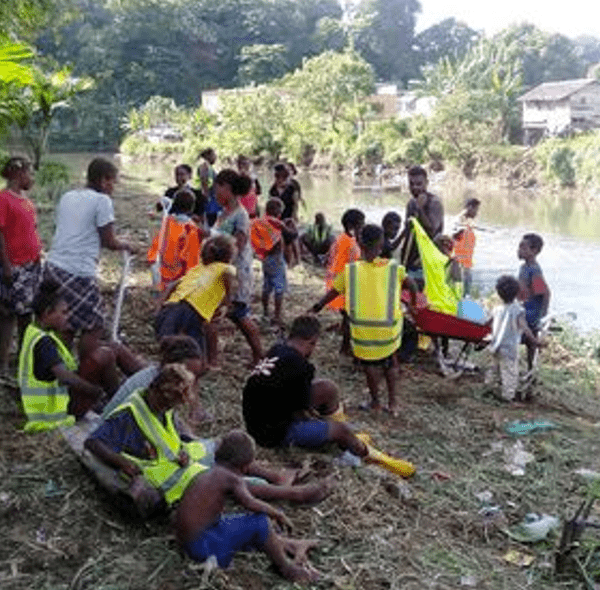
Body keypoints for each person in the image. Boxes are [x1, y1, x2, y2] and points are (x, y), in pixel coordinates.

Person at [87, 364, 332, 510]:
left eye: (172, 404)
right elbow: (93, 442)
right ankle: (292, 494)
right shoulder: (128, 414)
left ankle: (276, 476)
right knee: (225, 480)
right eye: (165, 402)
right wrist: (122, 463)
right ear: (154, 388)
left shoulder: (160, 403)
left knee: (224, 446)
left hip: (177, 460)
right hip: (161, 476)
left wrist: (183, 449)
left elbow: (168, 435)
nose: (167, 408)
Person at [174, 430, 320, 582]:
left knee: (242, 523)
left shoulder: (209, 472)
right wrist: (278, 514)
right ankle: (287, 569)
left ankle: (281, 545)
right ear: (245, 467)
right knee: (260, 522)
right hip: (204, 548)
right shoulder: (231, 479)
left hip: (189, 545)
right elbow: (251, 503)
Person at [311, 225, 417, 417]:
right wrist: (413, 306)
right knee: (391, 363)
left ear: (360, 244)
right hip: (389, 331)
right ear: (382, 244)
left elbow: (333, 292)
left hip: (363, 332)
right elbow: (413, 284)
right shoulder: (394, 268)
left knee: (370, 366)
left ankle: (375, 402)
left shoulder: (350, 271)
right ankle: (393, 404)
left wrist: (317, 307)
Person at [43, 157, 138, 357]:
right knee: (95, 324)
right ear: (103, 180)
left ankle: (61, 366)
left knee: (67, 322)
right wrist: (128, 246)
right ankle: (88, 367)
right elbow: (108, 241)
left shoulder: (68, 196)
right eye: (112, 181)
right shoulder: (102, 201)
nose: (113, 187)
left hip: (53, 266)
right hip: (78, 271)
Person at [18, 280, 137, 431]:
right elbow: (64, 376)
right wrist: (96, 392)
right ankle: (119, 404)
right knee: (105, 355)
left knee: (113, 348)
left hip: (57, 402)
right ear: (48, 312)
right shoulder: (43, 342)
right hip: (55, 410)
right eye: (63, 313)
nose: (68, 317)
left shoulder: (34, 331)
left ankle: (144, 380)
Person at [154, 235, 236, 364]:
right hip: (192, 312)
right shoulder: (225, 268)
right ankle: (190, 367)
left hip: (170, 307)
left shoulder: (196, 269)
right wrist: (228, 301)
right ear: (228, 256)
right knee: (193, 351)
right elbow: (229, 275)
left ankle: (170, 366)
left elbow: (172, 285)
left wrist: (159, 305)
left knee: (169, 343)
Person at [214, 169, 263, 365]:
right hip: (223, 269)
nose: (215, 193)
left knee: (239, 314)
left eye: (217, 189)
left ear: (227, 188)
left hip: (237, 272)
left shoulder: (241, 215)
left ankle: (259, 354)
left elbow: (238, 245)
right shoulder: (223, 212)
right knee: (230, 314)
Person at [0, 157, 43, 375]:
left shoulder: (24, 200)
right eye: (30, 174)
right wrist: (6, 265)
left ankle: (23, 359)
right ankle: (3, 363)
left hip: (30, 266)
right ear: (18, 174)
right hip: (14, 266)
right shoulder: (3, 199)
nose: (32, 179)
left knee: (27, 314)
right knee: (8, 315)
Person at [486, 275, 543, 402]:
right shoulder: (518, 310)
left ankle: (489, 388)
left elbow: (487, 323)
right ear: (517, 293)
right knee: (510, 373)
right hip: (509, 348)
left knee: (494, 368)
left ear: (499, 293)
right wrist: (535, 341)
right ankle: (508, 397)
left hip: (495, 345)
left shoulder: (497, 309)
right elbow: (525, 328)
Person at [250, 197, 296, 326]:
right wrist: (288, 225)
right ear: (277, 212)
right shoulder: (276, 223)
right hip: (276, 259)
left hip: (265, 259)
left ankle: (265, 312)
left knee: (266, 287)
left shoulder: (261, 222)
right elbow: (292, 235)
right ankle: (277, 315)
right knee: (279, 288)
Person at [324, 208, 365, 354]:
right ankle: (345, 348)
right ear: (352, 226)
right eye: (361, 225)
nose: (363, 227)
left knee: (348, 315)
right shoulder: (350, 244)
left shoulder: (341, 238)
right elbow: (356, 264)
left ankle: (342, 330)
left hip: (335, 283)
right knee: (350, 316)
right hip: (342, 287)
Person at [147, 188, 203, 291]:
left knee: (159, 302)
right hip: (179, 281)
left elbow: (154, 249)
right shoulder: (192, 229)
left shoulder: (166, 222)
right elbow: (192, 260)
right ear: (192, 208)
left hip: (160, 275)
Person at [399, 166, 444, 288]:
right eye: (411, 184)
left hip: (425, 264)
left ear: (426, 183)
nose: (415, 188)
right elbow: (408, 229)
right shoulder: (411, 203)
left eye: (419, 184)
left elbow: (432, 230)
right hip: (409, 261)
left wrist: (420, 208)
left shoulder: (434, 202)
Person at [517, 233, 550, 372]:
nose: (519, 250)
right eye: (519, 246)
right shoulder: (525, 267)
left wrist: (541, 317)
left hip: (530, 313)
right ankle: (530, 370)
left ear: (534, 251)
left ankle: (530, 371)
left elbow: (545, 293)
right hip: (524, 309)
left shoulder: (533, 269)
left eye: (523, 247)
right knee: (529, 343)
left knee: (529, 341)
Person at [269, 163, 300, 266]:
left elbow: (295, 203)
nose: (279, 180)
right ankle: (285, 260)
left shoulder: (291, 188)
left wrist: (294, 216)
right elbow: (270, 202)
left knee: (291, 238)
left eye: (281, 178)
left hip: (288, 214)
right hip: (277, 216)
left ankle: (295, 260)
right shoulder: (273, 189)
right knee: (280, 238)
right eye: (277, 178)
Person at [452, 197, 480, 295]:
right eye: (476, 210)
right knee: (459, 291)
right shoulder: (458, 220)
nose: (476, 213)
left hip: (467, 262)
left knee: (467, 291)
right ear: (469, 207)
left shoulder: (470, 221)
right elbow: (454, 236)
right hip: (459, 263)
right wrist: (462, 228)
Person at [197, 148, 220, 227]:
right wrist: (206, 198)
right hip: (209, 202)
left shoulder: (208, 166)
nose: (215, 157)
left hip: (213, 200)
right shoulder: (204, 166)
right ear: (208, 156)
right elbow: (204, 183)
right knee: (209, 225)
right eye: (214, 155)